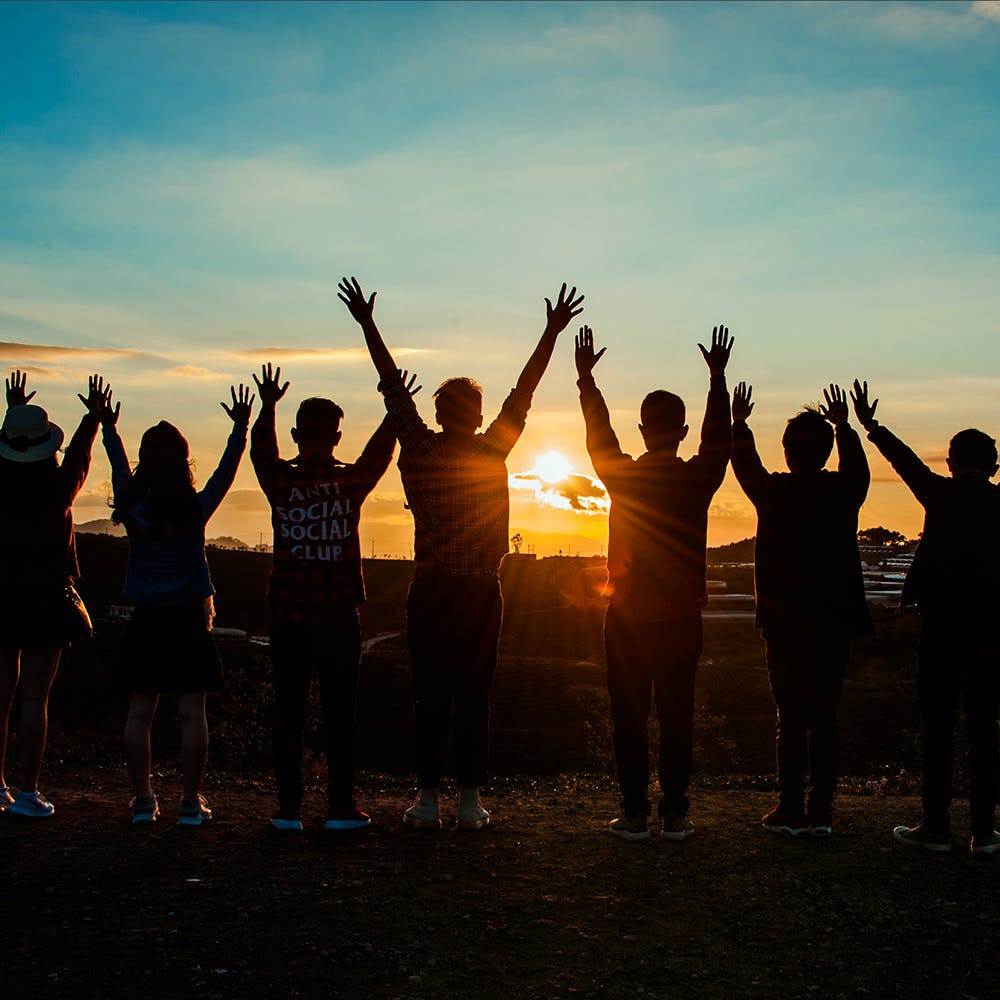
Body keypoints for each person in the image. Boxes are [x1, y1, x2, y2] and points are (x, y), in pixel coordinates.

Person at [339, 276, 583, 831]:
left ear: (439, 410)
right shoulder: (491, 447)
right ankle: (470, 801)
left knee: (430, 693)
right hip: (478, 592)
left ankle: (426, 800)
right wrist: (549, 332)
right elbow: (525, 391)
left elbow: (391, 388)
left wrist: (367, 324)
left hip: (430, 589)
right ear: (475, 414)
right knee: (475, 694)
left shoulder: (420, 448)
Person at [574, 323, 732, 841]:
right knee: (677, 714)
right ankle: (676, 813)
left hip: (627, 617)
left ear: (642, 430)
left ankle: (635, 813)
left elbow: (600, 437)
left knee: (630, 716)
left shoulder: (623, 476)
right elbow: (719, 442)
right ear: (681, 430)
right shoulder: (698, 478)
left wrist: (586, 382)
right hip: (683, 616)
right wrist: (717, 380)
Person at [250, 363, 414, 832]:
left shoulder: (279, 483)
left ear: (298, 434)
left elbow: (261, 450)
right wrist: (394, 409)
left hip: (288, 617)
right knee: (342, 714)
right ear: (337, 437)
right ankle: (341, 807)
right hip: (339, 618)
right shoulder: (349, 483)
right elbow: (380, 453)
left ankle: (288, 809)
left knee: (289, 712)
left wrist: (266, 406)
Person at [851, 380, 1000, 854]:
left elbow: (905, 461)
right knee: (985, 728)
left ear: (950, 463)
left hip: (941, 626)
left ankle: (935, 825)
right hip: (992, 630)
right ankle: (983, 831)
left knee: (936, 724)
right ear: (995, 466)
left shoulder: (940, 493)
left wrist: (872, 426)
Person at [102, 384, 253, 826]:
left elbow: (116, 465)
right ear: (184, 462)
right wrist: (239, 428)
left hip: (146, 618)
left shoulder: (132, 506)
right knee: (191, 714)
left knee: (140, 713)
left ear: (145, 462)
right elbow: (226, 472)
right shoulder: (195, 508)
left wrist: (109, 427)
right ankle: (190, 801)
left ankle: (143, 801)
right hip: (189, 619)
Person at [731, 382, 872, 837]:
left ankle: (789, 809)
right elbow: (859, 470)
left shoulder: (774, 493)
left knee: (789, 718)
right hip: (833, 621)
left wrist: (739, 424)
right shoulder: (844, 492)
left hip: (785, 623)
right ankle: (822, 812)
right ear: (827, 452)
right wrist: (846, 428)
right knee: (825, 714)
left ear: (788, 452)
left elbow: (744, 465)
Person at [0, 371, 109, 818]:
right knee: (34, 699)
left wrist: (12, 414)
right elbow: (80, 457)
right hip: (46, 599)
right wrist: (93, 418)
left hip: (0, 596)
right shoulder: (57, 488)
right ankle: (28, 791)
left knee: (0, 696)